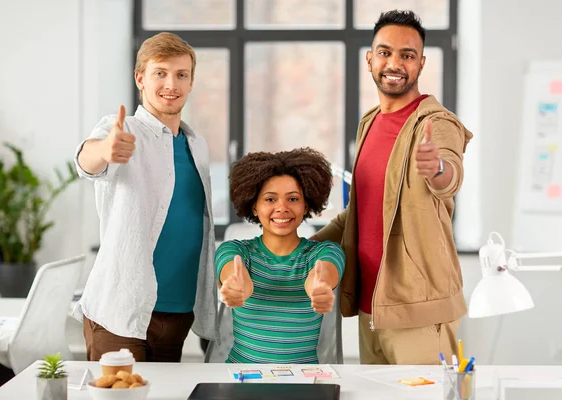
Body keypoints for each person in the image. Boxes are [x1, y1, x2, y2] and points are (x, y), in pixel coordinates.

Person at [312, 10, 473, 365]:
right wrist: (298, 249)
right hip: (373, 307)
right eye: (385, 52)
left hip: (419, 311)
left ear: (421, 63)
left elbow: (450, 175)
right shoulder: (369, 122)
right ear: (370, 59)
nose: (394, 63)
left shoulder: (436, 122)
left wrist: (437, 168)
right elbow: (360, 211)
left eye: (407, 55)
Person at [72, 32, 217, 362]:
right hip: (120, 312)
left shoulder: (198, 146)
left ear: (191, 82)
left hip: (179, 312)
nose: (171, 84)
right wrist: (105, 150)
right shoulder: (122, 130)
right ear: (141, 78)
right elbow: (86, 162)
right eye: (160, 73)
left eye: (181, 75)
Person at [215, 148, 345, 364]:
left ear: (306, 206)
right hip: (241, 381)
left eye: (293, 199)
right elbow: (234, 274)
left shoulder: (324, 252)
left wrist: (319, 287)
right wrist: (236, 285)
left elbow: (322, 275)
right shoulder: (235, 251)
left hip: (305, 381)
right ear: (254, 206)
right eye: (270, 199)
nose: (282, 208)